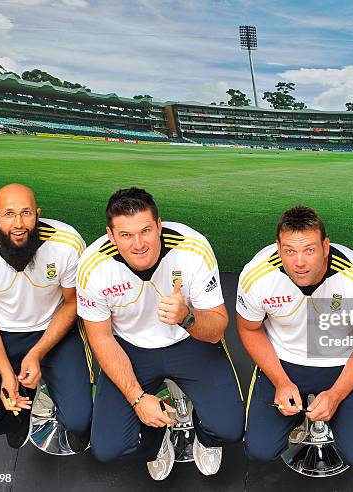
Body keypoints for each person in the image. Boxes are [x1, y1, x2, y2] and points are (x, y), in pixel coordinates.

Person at [77, 187, 244, 480]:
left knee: (229, 430)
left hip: (188, 341)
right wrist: (138, 399)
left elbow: (217, 328)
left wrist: (187, 317)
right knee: (108, 449)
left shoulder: (192, 248)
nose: (138, 244)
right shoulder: (93, 266)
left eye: (145, 231)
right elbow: (101, 338)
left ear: (159, 226)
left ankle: (201, 433)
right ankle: (157, 442)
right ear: (111, 235)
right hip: (129, 347)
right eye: (126, 235)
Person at [237, 205, 353, 467]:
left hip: (341, 362)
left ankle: (330, 409)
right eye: (289, 251)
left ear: (325, 246)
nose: (299, 262)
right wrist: (280, 381)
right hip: (283, 361)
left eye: (309, 250)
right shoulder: (257, 275)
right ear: (278, 247)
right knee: (259, 450)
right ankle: (295, 414)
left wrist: (337, 394)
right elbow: (250, 328)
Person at [0, 183, 92, 451]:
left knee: (78, 420)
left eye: (26, 213)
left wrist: (37, 353)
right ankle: (20, 416)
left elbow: (72, 303)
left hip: (56, 330)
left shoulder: (66, 243)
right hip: (1, 332)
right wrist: (6, 373)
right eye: (8, 214)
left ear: (37, 214)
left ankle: (53, 396)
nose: (18, 223)